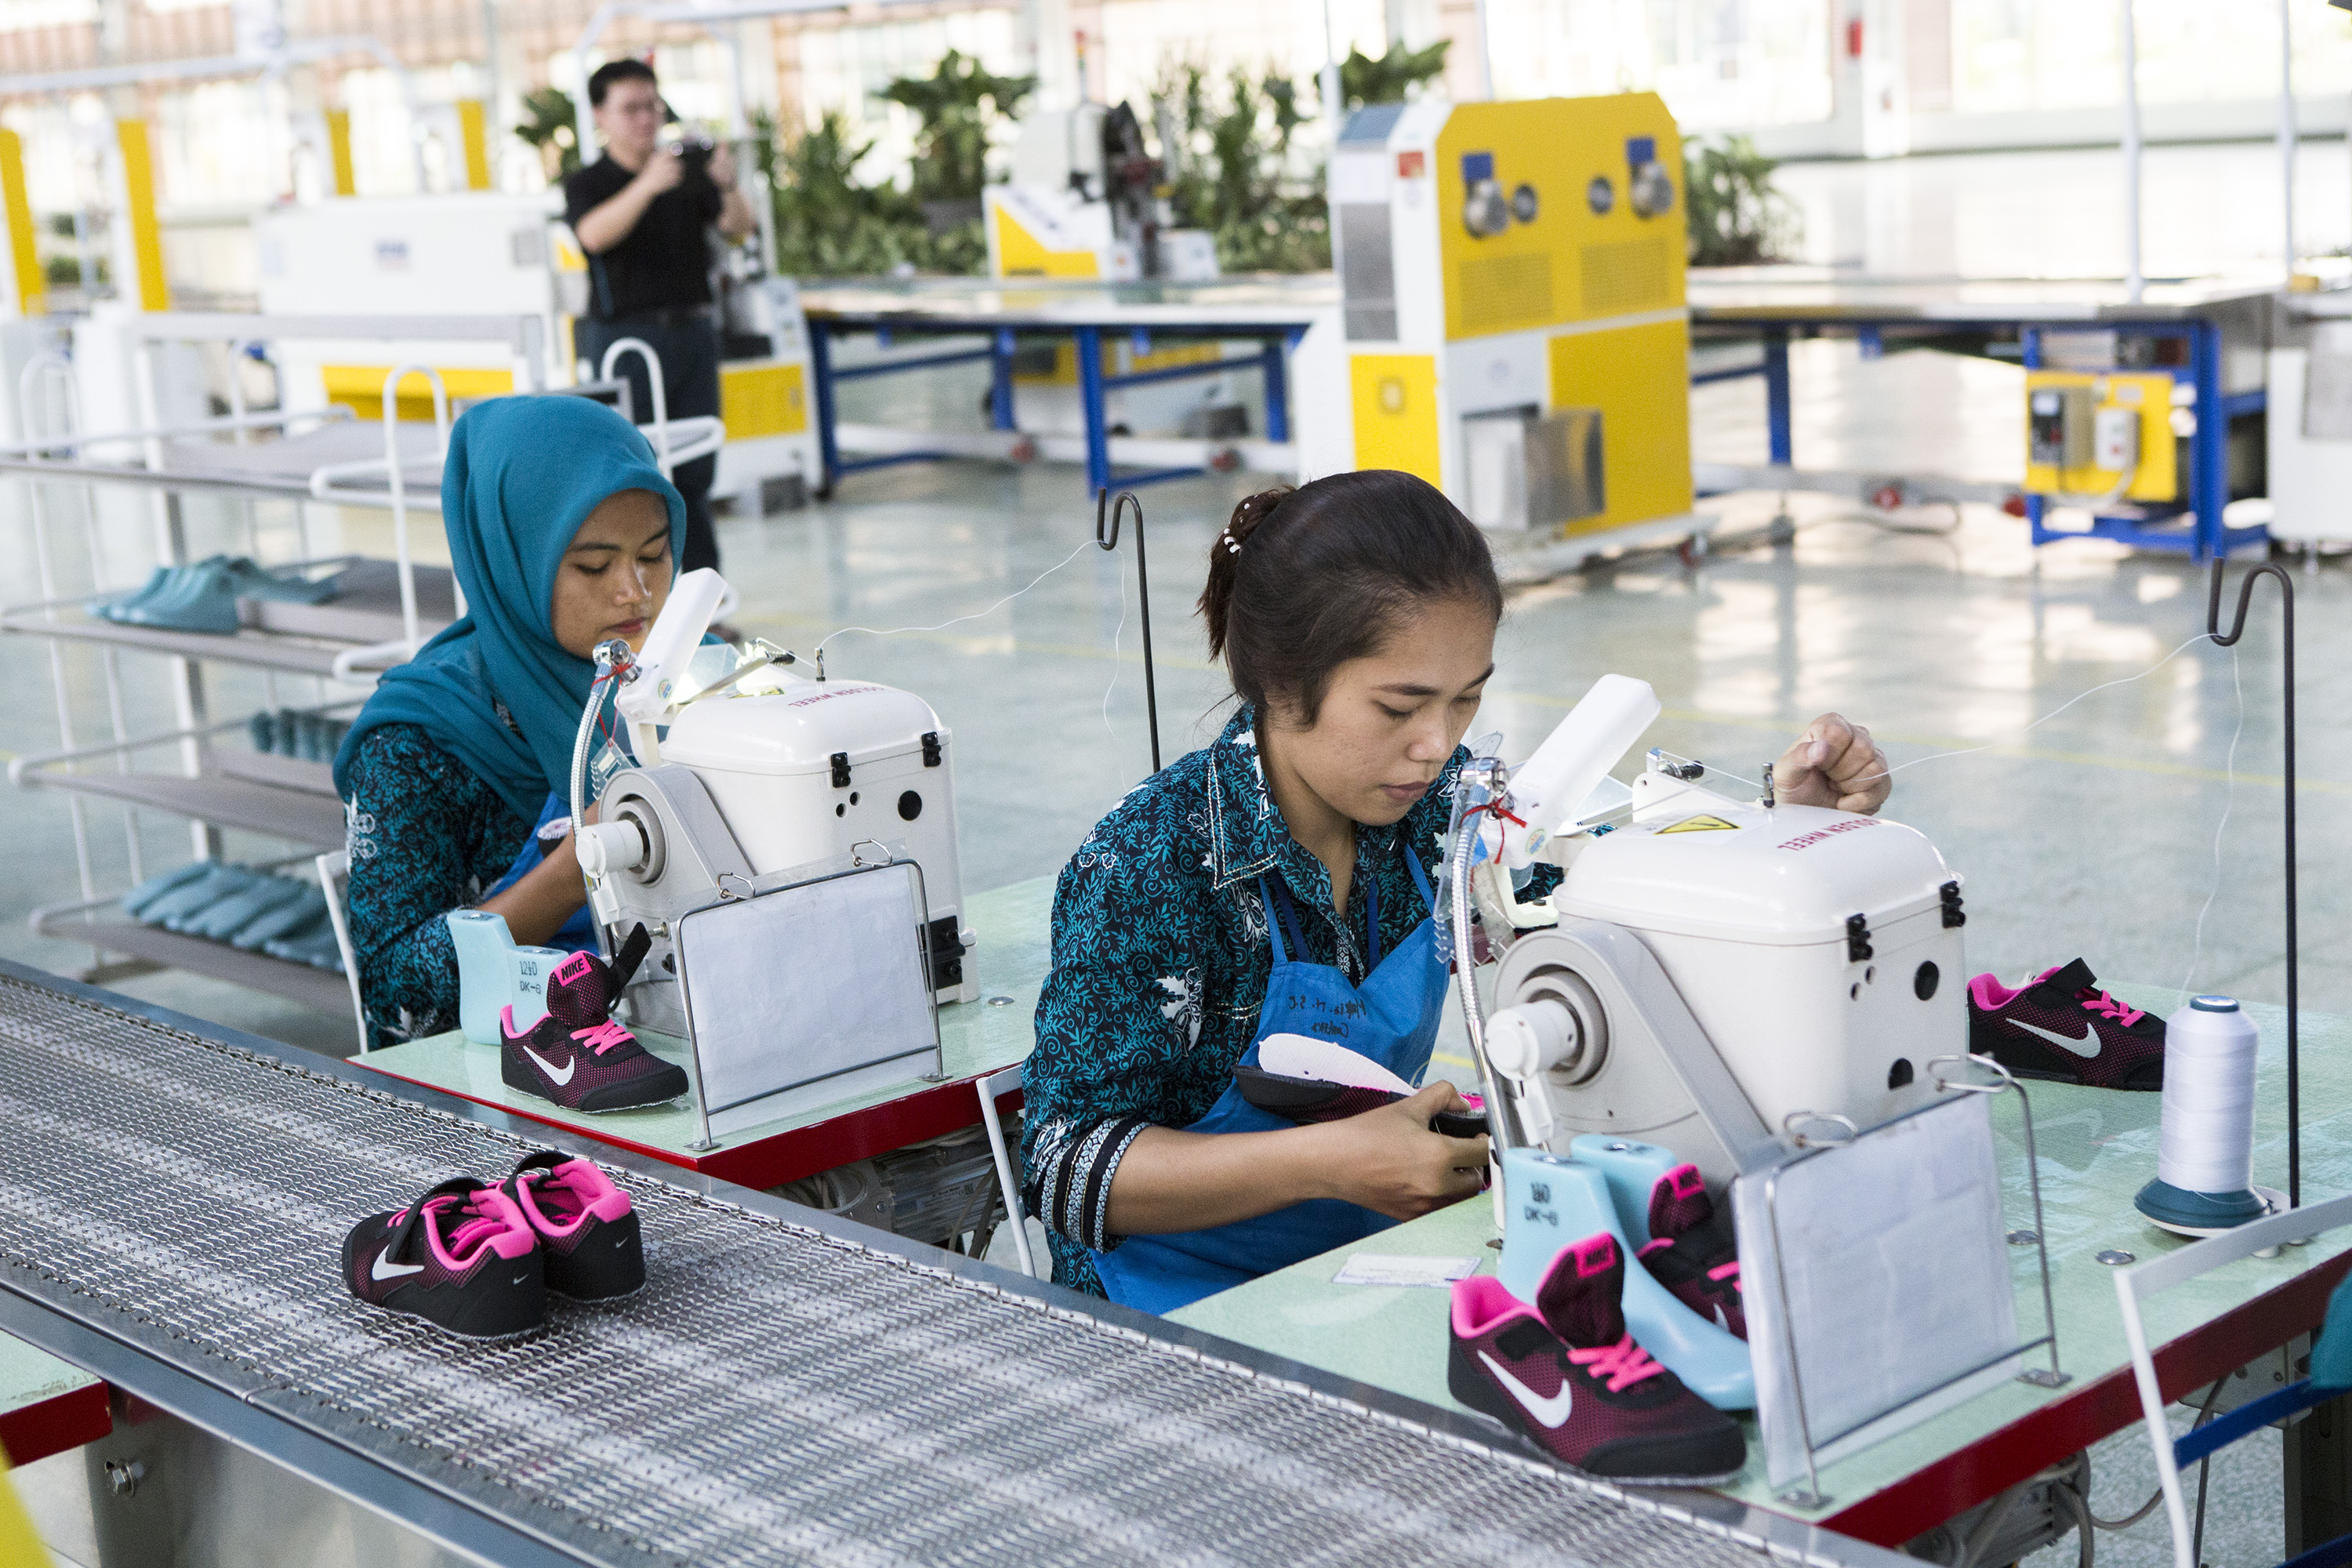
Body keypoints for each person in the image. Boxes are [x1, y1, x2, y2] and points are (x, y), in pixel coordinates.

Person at [1020, 470, 1893, 1312]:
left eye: (1466, 700)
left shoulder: (1444, 820)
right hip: (1171, 1315)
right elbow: (1062, 1167)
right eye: (1399, 710)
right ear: (1281, 683)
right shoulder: (1155, 864)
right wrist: (1331, 1162)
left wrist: (1779, 833)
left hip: (1353, 1273)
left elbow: (1614, 910)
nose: (1437, 745)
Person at [334, 396, 683, 1049]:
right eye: (593, 565)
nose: (635, 592)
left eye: (655, 555)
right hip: (491, 1085)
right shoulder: (418, 744)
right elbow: (395, 991)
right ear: (510, 558)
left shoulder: (673, 684)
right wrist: (576, 872)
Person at [563, 58, 757, 575]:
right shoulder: (590, 182)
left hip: (691, 333)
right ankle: (643, 597)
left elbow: (740, 229)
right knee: (634, 473)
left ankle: (701, 600)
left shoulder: (686, 176)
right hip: (625, 339)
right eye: (631, 109)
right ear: (600, 115)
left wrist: (729, 185)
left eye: (652, 106)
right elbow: (594, 236)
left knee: (694, 473)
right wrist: (647, 184)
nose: (646, 119)